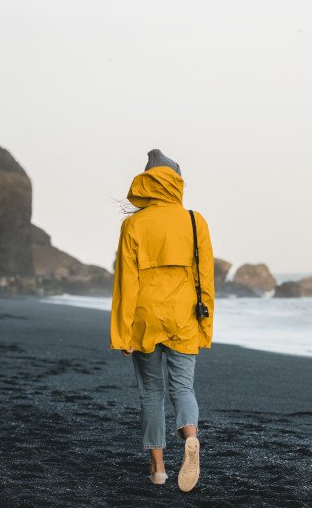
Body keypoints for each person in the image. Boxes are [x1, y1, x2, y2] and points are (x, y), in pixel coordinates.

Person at [110, 150, 214, 492]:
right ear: (177, 182)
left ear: (147, 182)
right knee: (183, 388)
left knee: (151, 394)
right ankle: (190, 436)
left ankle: (158, 469)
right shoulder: (194, 221)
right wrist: (205, 328)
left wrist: (122, 333)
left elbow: (126, 283)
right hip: (183, 318)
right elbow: (206, 281)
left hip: (144, 320)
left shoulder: (134, 224)